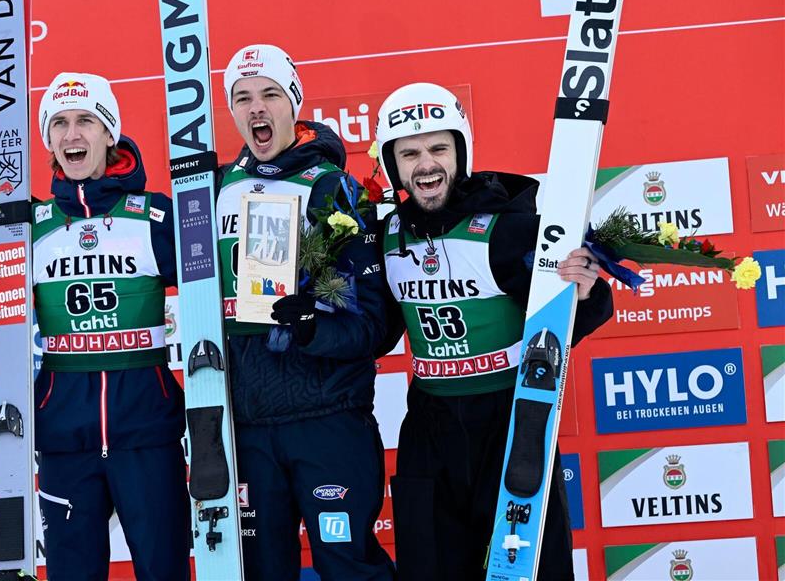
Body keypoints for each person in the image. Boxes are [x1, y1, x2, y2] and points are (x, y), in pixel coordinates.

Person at [0, 72, 189, 581]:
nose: (73, 134)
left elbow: (214, 299)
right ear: (48, 140)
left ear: (109, 132)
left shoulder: (156, 216)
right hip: (65, 442)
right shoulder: (25, 228)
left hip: (147, 438)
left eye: (86, 121)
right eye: (60, 124)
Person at [373, 82, 614, 580]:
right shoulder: (385, 237)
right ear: (392, 163)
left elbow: (569, 312)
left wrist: (585, 290)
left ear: (460, 153)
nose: (426, 163)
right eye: (410, 152)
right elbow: (374, 331)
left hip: (508, 420)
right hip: (429, 426)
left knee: (530, 567)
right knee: (429, 567)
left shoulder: (506, 227)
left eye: (439, 147)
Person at [216, 44, 396, 581]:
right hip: (246, 429)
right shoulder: (212, 189)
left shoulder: (332, 189)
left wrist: (314, 327)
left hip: (327, 420)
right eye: (242, 98)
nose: (256, 109)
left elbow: (377, 325)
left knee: (348, 567)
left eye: (270, 94)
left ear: (293, 103)